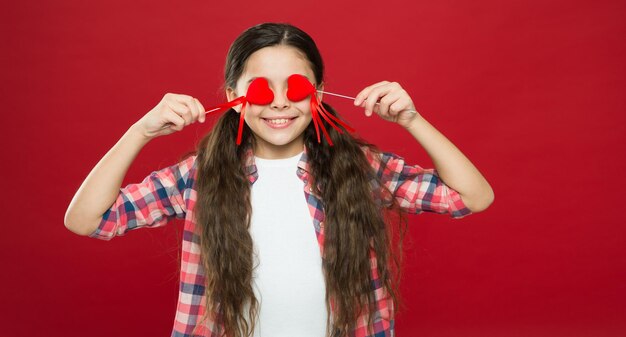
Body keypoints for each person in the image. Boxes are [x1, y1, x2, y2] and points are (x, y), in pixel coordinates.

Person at [64, 22, 494, 337]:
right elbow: (88, 219)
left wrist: (412, 120)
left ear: (319, 95)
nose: (280, 104)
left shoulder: (359, 167)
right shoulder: (200, 175)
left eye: (296, 87)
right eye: (260, 89)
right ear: (234, 98)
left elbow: (471, 197)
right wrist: (140, 131)